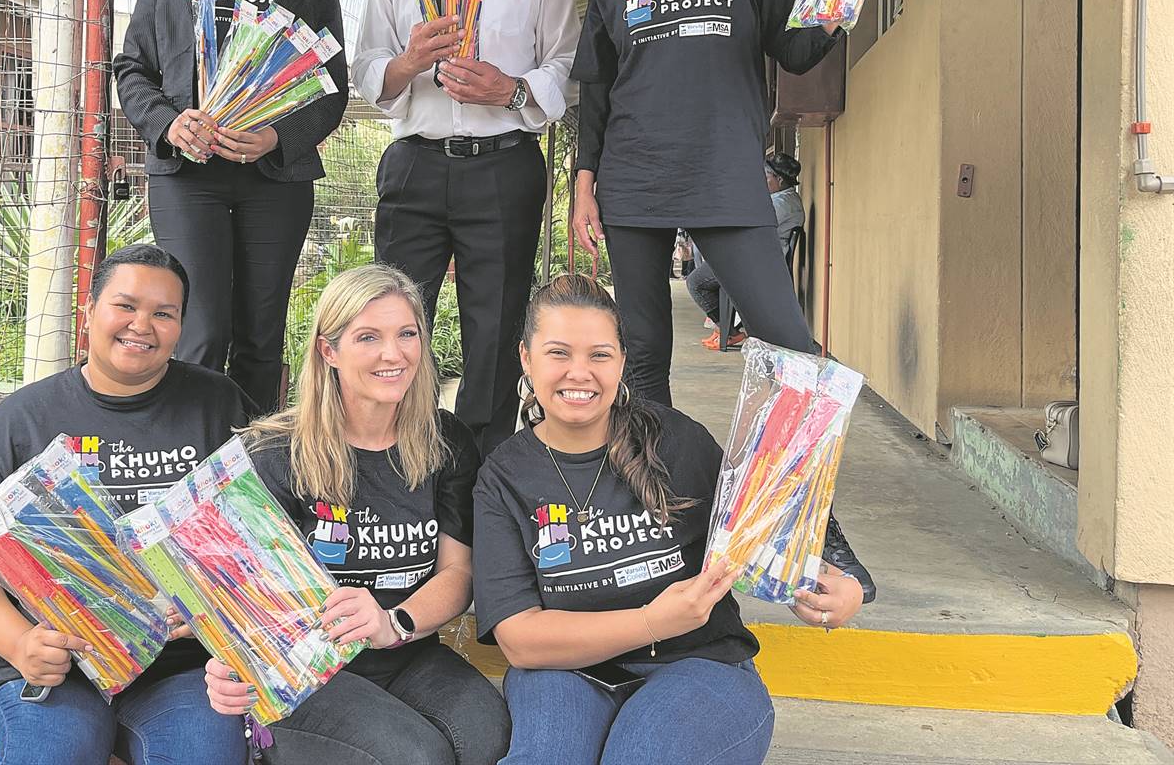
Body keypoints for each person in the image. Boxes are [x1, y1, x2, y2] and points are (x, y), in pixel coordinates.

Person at [568, 0, 887, 597]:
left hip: (724, 175)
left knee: (793, 351)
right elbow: (597, 96)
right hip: (635, 181)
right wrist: (583, 181)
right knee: (643, 358)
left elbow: (798, 49)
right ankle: (657, 519)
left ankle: (810, 526)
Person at [474, 275, 863, 765]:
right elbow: (521, 639)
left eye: (599, 355)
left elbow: (762, 533)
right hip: (565, 670)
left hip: (699, 662)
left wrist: (834, 587)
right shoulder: (504, 477)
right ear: (527, 359)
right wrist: (651, 622)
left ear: (621, 361)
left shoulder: (676, 440)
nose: (579, 372)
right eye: (558, 353)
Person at [0, 245, 251, 765]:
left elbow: (263, 527)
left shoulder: (218, 404)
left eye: (164, 313)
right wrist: (20, 644)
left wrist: (219, 604)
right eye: (126, 306)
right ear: (89, 311)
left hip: (182, 666)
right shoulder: (24, 419)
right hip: (56, 662)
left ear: (181, 327)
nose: (142, 325)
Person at [207, 263, 510, 765]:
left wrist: (394, 624)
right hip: (308, 669)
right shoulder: (273, 454)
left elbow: (458, 572)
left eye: (406, 334)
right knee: (416, 757)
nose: (393, 353)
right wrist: (226, 660)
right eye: (368, 337)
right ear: (329, 351)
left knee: (487, 737)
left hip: (407, 650)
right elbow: (230, 590)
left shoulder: (446, 441)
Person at [351, 0, 580, 456]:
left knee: (496, 324)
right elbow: (367, 67)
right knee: (394, 319)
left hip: (505, 162)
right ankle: (399, 457)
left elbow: (564, 61)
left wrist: (511, 90)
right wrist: (408, 62)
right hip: (415, 162)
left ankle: (483, 472)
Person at [114, 0, 348, 416]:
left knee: (261, 336)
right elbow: (132, 69)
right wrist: (169, 124)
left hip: (275, 180)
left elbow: (331, 92)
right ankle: (196, 455)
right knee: (201, 329)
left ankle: (254, 456)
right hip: (189, 178)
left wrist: (276, 136)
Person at [688, 152, 806, 350]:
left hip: (756, 263)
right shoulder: (783, 199)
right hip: (755, 258)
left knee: (696, 282)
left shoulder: (781, 204)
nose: (762, 182)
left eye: (766, 178)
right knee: (705, 261)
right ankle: (724, 328)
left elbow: (750, 228)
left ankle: (727, 330)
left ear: (779, 179)